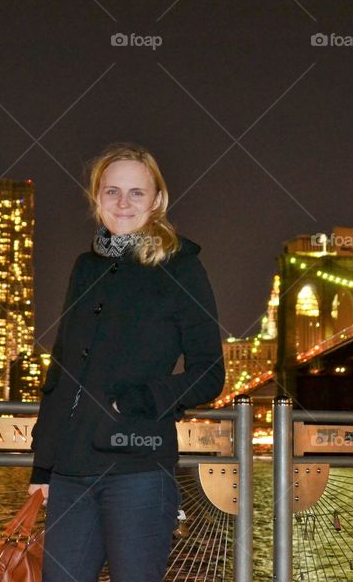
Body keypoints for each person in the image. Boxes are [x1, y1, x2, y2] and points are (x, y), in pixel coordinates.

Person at [27, 143, 225, 582]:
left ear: (157, 200)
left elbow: (211, 372)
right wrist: (44, 465)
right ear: (96, 197)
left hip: (138, 469)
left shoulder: (182, 268)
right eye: (112, 191)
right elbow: (61, 370)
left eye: (136, 193)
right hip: (71, 473)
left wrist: (140, 398)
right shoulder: (85, 267)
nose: (122, 202)